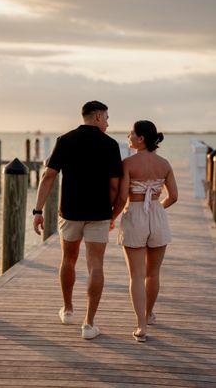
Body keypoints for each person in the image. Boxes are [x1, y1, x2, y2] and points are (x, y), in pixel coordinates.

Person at [33, 101, 123, 339]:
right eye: (106, 117)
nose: (107, 122)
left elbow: (48, 176)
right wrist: (112, 213)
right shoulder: (111, 145)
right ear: (96, 116)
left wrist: (37, 210)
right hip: (99, 214)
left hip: (70, 212)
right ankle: (89, 324)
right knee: (95, 265)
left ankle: (68, 310)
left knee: (68, 259)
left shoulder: (65, 140)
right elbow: (115, 186)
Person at [111, 120, 178, 342]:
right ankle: (149, 314)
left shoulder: (128, 163)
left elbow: (121, 197)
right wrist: (157, 208)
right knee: (153, 273)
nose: (128, 136)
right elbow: (174, 196)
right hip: (157, 213)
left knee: (137, 275)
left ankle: (141, 326)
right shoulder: (164, 163)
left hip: (135, 214)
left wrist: (112, 217)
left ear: (140, 138)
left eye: (131, 133)